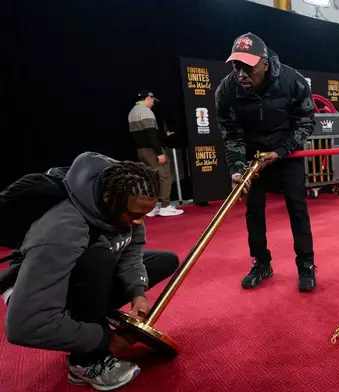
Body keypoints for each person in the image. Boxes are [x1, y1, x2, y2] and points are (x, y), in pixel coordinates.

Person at [2, 152, 180, 390]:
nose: (140, 222)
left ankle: (87, 314)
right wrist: (106, 340)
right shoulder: (62, 229)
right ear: (108, 199)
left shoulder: (129, 199)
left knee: (164, 261)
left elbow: (130, 248)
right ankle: (84, 363)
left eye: (145, 215)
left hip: (78, 269)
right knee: (99, 257)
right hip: (36, 285)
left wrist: (138, 291)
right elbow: (24, 326)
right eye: (136, 215)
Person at [215, 32, 317, 292]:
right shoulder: (226, 90)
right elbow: (231, 134)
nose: (241, 74)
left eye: (248, 67)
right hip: (252, 156)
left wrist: (281, 150)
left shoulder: (292, 80)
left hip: (286, 153)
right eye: (237, 67)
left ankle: (306, 264)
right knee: (253, 210)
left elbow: (306, 122)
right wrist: (237, 169)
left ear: (265, 63)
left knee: (297, 206)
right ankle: (261, 263)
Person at [128, 90, 184, 217]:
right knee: (164, 175)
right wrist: (159, 152)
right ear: (148, 98)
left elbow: (142, 134)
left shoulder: (132, 112)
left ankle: (153, 206)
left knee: (151, 178)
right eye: (153, 101)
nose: (153, 104)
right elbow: (150, 134)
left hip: (141, 151)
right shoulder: (146, 111)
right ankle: (165, 206)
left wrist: (163, 135)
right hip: (151, 150)